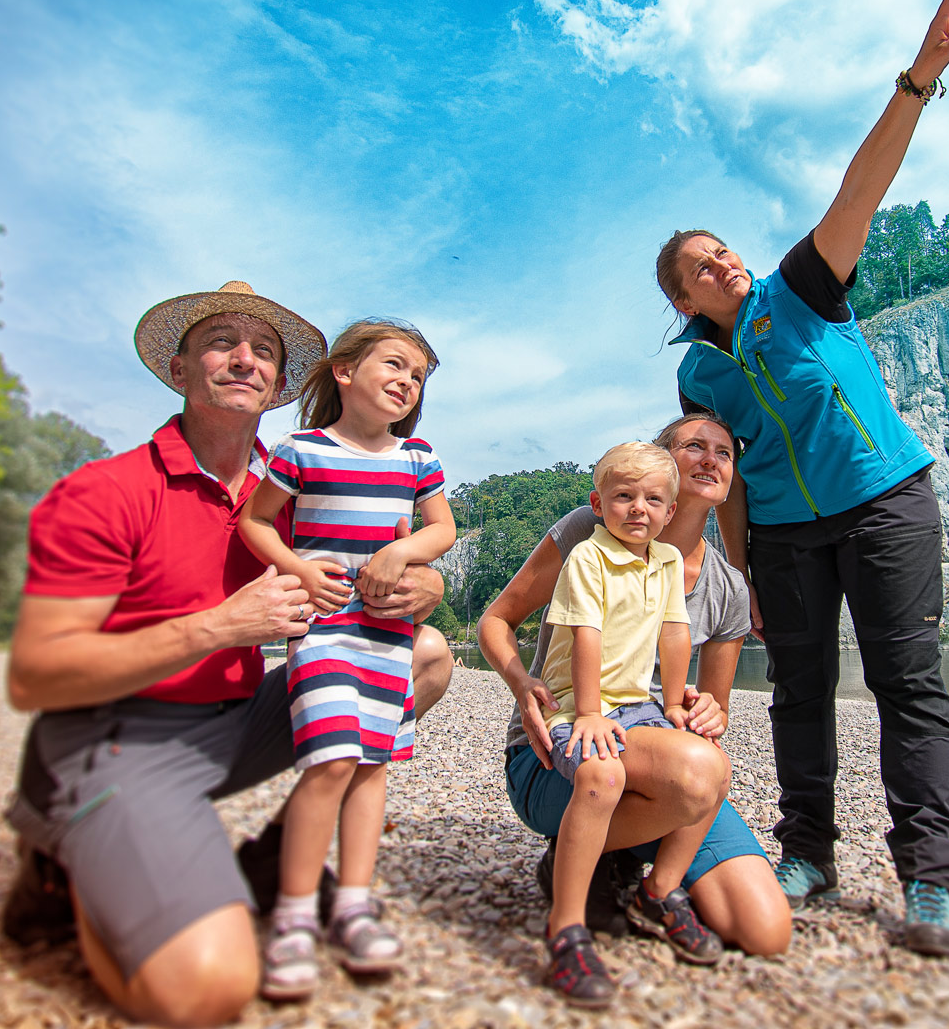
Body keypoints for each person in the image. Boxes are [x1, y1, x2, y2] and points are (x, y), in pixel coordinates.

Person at [0, 282, 453, 1027]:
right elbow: (35, 676)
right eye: (221, 341)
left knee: (427, 655)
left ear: (278, 384)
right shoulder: (106, 491)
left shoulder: (299, 475)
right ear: (179, 369)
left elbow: (386, 539)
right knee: (206, 990)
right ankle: (68, 865)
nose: (245, 358)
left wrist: (421, 581)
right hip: (119, 735)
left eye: (265, 350)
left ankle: (278, 859)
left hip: (233, 719)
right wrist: (214, 627)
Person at [654, 0, 949, 957]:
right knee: (799, 690)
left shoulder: (800, 287)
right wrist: (741, 574)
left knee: (906, 683)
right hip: (788, 538)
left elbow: (861, 187)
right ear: (683, 302)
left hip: (885, 502)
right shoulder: (701, 382)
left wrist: (917, 79)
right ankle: (808, 852)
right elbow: (726, 483)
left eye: (721, 250)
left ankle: (928, 875)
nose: (720, 262)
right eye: (696, 267)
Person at [480, 413, 793, 971]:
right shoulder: (586, 534)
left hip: (656, 749)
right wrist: (520, 680)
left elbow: (706, 713)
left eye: (724, 452)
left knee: (763, 928)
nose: (711, 459)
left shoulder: (726, 588)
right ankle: (581, 877)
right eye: (694, 446)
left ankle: (642, 880)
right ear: (662, 460)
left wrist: (704, 711)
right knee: (654, 772)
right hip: (557, 746)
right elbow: (495, 622)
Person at [236, 320, 456, 1000]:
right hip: (325, 631)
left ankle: (353, 905)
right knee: (330, 763)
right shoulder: (302, 450)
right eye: (394, 365)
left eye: (417, 377)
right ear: (343, 371)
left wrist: (404, 553)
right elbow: (254, 520)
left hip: (389, 636)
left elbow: (442, 528)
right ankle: (296, 917)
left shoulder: (418, 458)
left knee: (371, 769)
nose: (406, 382)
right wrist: (298, 568)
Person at [533, 442, 721, 1007]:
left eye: (652, 500)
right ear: (598, 503)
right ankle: (566, 929)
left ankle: (656, 893)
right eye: (624, 497)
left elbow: (673, 634)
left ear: (669, 511)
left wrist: (674, 706)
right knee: (602, 778)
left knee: (711, 769)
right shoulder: (587, 557)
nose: (638, 509)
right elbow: (586, 637)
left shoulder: (664, 560)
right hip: (574, 702)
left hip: (638, 703)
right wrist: (588, 712)